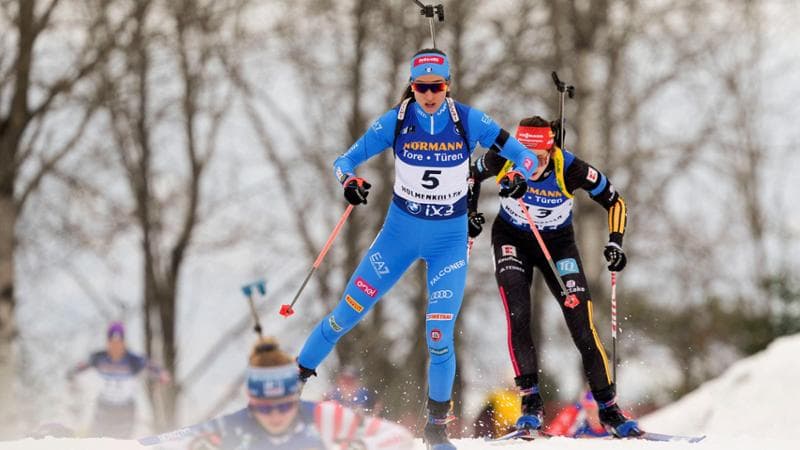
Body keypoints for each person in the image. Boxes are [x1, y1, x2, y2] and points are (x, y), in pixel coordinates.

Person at [295, 48, 539, 450]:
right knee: (345, 315)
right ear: (411, 86)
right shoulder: (396, 121)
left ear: (448, 86)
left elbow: (525, 157)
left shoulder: (468, 121)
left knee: (439, 334)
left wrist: (518, 176)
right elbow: (344, 160)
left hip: (448, 243)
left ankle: (436, 427)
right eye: (421, 87)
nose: (429, 95)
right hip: (399, 237)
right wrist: (349, 182)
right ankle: (292, 387)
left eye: (436, 87)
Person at [468, 116, 641, 437]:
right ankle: (531, 403)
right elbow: (470, 176)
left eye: (538, 158)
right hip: (512, 240)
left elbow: (615, 200)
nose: (530, 165)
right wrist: (471, 213)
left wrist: (615, 242)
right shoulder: (502, 157)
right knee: (519, 314)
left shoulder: (571, 168)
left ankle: (609, 409)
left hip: (558, 247)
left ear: (552, 150)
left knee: (582, 326)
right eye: (524, 156)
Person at [151, 337, 413, 450]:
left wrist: (360, 446)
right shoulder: (234, 426)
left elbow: (399, 438)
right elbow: (170, 440)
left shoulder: (321, 417)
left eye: (284, 405)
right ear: (252, 401)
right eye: (265, 407)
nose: (275, 415)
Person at [66, 321, 171, 438]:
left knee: (120, 439)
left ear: (123, 342)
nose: (115, 346)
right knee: (97, 437)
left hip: (125, 408)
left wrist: (161, 374)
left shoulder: (132, 360)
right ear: (108, 342)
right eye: (112, 342)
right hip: (104, 406)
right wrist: (72, 375)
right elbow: (81, 366)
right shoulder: (99, 358)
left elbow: (149, 365)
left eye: (119, 342)